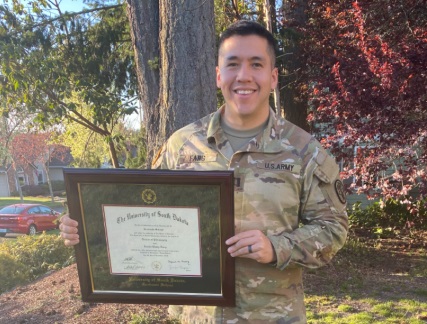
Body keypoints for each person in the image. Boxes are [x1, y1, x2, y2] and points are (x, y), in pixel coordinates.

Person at [60, 20, 348, 324]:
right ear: (218, 75)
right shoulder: (181, 144)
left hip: (272, 316)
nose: (244, 76)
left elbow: (333, 227)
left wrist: (276, 247)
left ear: (273, 77)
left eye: (257, 64)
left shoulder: (304, 151)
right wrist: (87, 228)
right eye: (233, 64)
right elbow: (141, 214)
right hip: (199, 316)